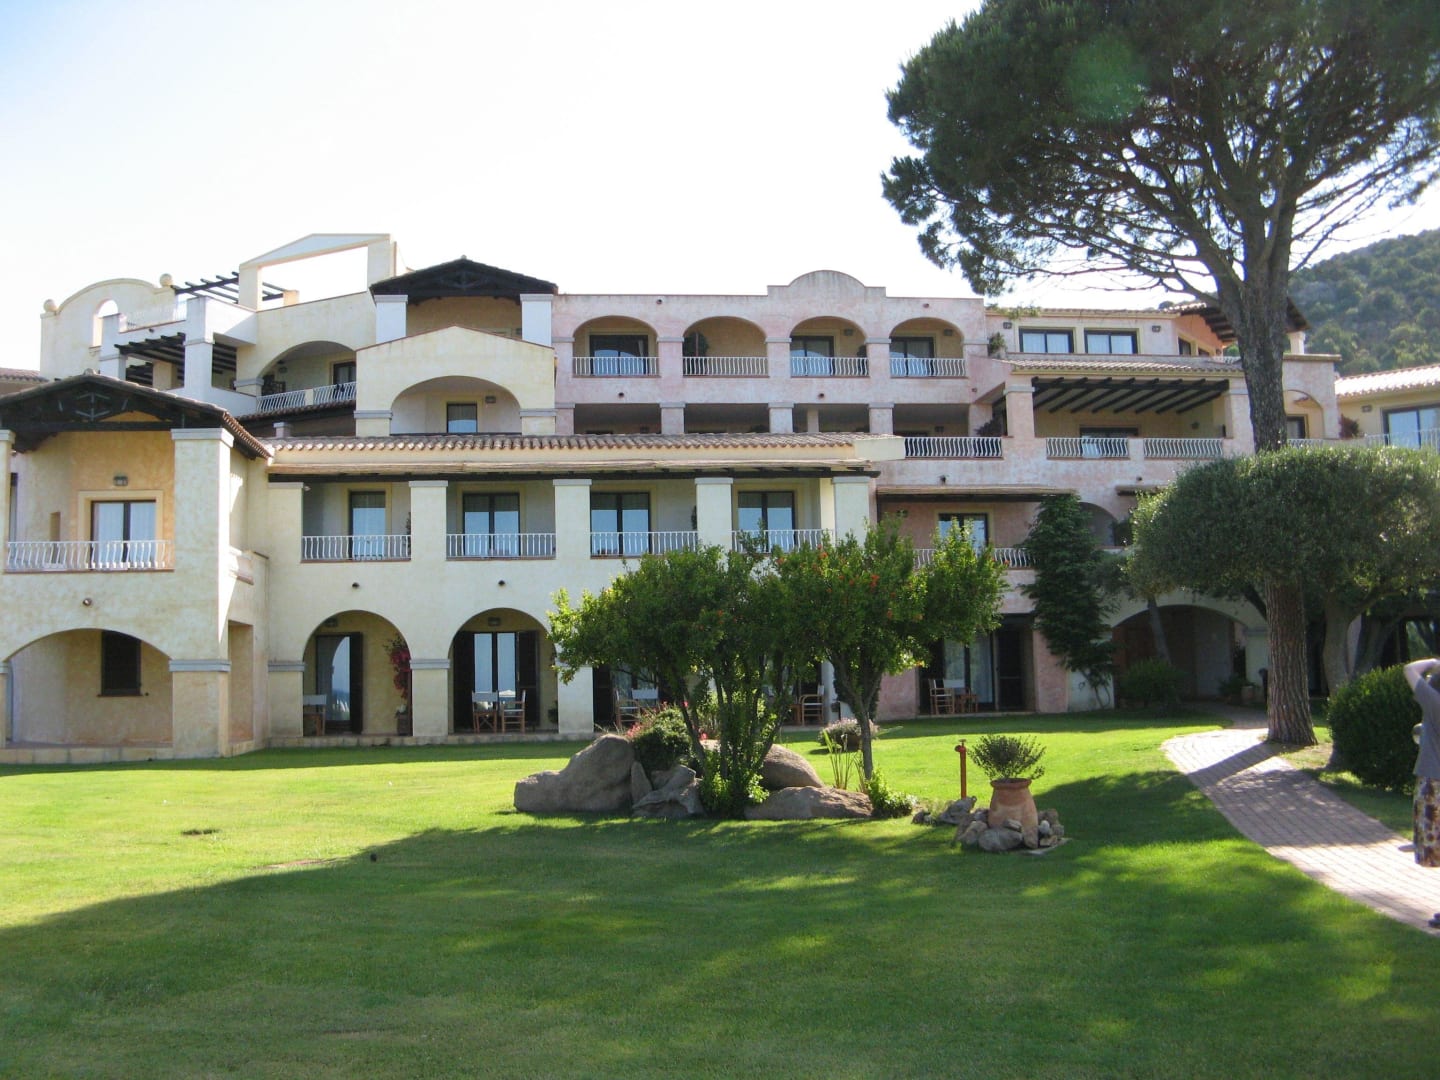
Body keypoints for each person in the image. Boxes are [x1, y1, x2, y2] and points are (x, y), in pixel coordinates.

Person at [1403, 658, 1440, 875]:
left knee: (1433, 848)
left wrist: (1434, 662)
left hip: (1433, 781)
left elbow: (1409, 669)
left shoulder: (1435, 703)